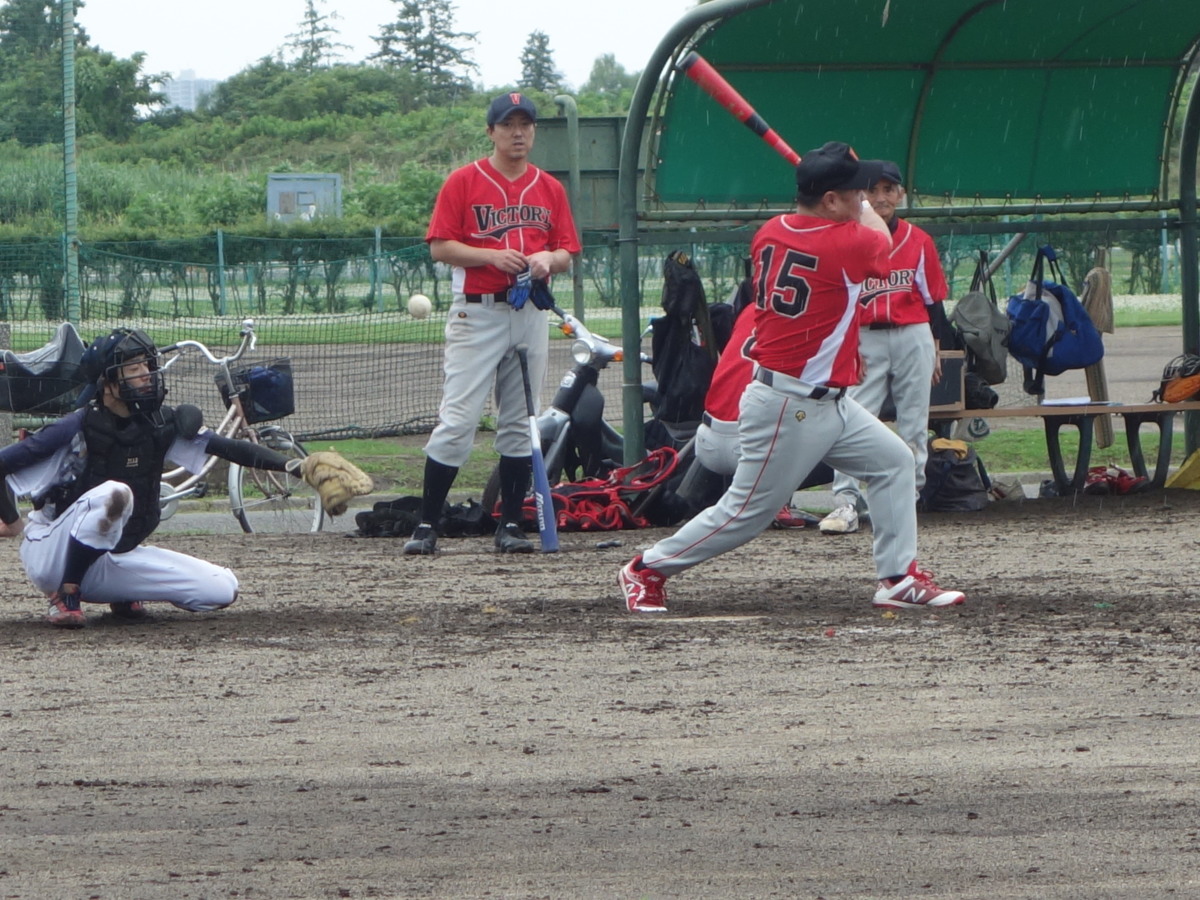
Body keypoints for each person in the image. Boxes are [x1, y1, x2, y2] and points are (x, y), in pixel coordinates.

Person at [617, 142, 965, 614]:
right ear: (830, 201)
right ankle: (646, 568)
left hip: (828, 400)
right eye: (856, 193)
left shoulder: (772, 230)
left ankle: (898, 578)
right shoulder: (848, 243)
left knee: (894, 463)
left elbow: (830, 222)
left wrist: (835, 183)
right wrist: (855, 204)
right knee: (746, 513)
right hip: (790, 405)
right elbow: (881, 239)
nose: (865, 199)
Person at [0, 328, 309, 628]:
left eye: (147, 365)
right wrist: (12, 520)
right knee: (115, 493)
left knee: (221, 588)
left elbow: (228, 448)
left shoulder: (157, 424)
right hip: (52, 555)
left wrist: (296, 466)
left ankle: (122, 592)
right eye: (134, 368)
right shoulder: (75, 427)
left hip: (113, 557)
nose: (146, 374)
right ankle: (66, 594)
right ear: (107, 383)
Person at [403, 91, 581, 556]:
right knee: (458, 420)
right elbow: (440, 247)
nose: (518, 133)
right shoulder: (464, 181)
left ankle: (511, 525)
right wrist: (491, 255)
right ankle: (426, 525)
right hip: (477, 312)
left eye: (525, 124)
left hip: (529, 313)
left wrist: (548, 259)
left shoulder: (549, 188)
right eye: (508, 125)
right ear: (491, 131)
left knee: (521, 422)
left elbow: (566, 251)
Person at [818, 160, 953, 535]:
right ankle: (846, 502)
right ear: (861, 195)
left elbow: (933, 302)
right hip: (865, 337)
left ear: (901, 194)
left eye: (888, 189)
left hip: (913, 333)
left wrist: (936, 348)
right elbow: (839, 304)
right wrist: (847, 348)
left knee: (914, 422)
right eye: (873, 190)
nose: (881, 197)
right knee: (851, 420)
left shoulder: (918, 239)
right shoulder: (848, 237)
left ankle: (907, 499)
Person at [692, 299, 829, 528]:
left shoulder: (752, 309)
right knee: (835, 423)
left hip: (706, 442)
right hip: (753, 446)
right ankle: (777, 503)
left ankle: (728, 497)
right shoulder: (813, 316)